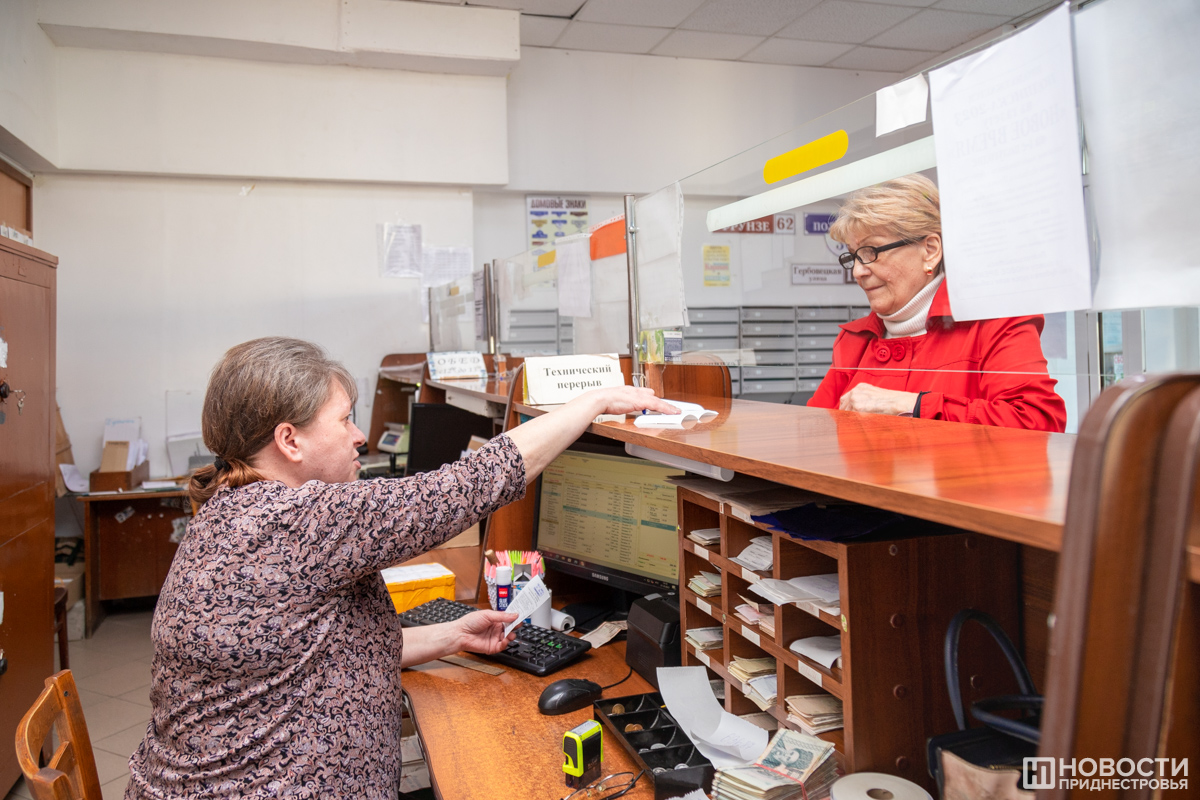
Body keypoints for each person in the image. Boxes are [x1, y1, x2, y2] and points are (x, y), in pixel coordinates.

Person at [125, 337, 678, 800]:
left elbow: (311, 651)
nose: (360, 435)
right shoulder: (298, 522)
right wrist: (594, 402)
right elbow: (467, 486)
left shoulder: (232, 508)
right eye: (344, 420)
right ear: (288, 441)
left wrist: (449, 635)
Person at [807, 175, 1067, 432]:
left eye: (871, 252)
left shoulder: (995, 322)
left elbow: (1037, 421)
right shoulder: (854, 341)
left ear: (930, 250)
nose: (857, 272)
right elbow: (814, 434)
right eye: (854, 256)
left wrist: (913, 405)